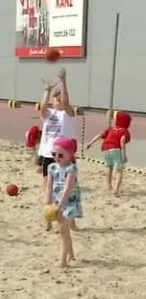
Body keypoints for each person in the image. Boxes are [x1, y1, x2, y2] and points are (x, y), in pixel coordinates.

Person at [38, 68, 76, 231]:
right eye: (56, 99)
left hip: (65, 155)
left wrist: (63, 82)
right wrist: (47, 90)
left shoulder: (67, 113)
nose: (58, 101)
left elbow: (67, 103)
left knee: (70, 188)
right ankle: (48, 218)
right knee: (47, 187)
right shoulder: (49, 113)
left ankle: (71, 221)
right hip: (48, 154)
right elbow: (42, 107)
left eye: (59, 98)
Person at [44, 136, 82, 268]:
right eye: (54, 154)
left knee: (63, 231)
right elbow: (49, 186)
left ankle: (63, 261)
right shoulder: (51, 167)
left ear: (70, 155)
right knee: (64, 231)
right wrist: (47, 201)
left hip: (69, 202)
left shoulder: (71, 169)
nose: (56, 157)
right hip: (56, 202)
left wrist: (60, 206)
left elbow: (67, 189)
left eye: (60, 154)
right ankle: (71, 254)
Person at [86, 112, 132, 197]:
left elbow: (100, 135)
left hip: (105, 149)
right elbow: (122, 141)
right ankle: (116, 190)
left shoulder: (110, 129)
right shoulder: (124, 131)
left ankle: (109, 187)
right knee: (119, 170)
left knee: (109, 167)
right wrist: (124, 155)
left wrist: (90, 143)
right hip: (115, 149)